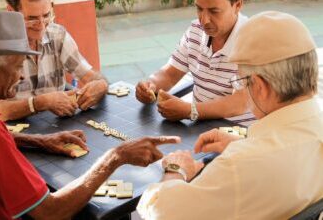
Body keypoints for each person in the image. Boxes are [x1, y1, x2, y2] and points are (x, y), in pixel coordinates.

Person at [0, 10, 180, 219]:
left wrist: (37, 141)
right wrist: (116, 156)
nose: (21, 75)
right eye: (17, 65)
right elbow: (50, 212)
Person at [136, 11, 323, 219]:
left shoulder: (239, 166)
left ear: (260, 86)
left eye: (243, 82)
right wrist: (245, 142)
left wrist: (174, 170)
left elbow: (161, 213)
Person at [135, 0, 254, 126]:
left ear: (237, 5)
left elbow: (241, 102)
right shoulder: (195, 31)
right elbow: (170, 73)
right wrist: (150, 85)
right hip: (200, 124)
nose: (204, 20)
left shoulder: (253, 39)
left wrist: (191, 110)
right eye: (199, 9)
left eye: (214, 11)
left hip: (239, 132)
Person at [0, 0, 108, 121]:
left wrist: (101, 85)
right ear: (11, 12)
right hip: (15, 136)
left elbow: (93, 77)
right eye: (32, 19)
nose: (41, 26)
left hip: (56, 130)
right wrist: (41, 103)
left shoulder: (57, 35)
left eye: (46, 15)